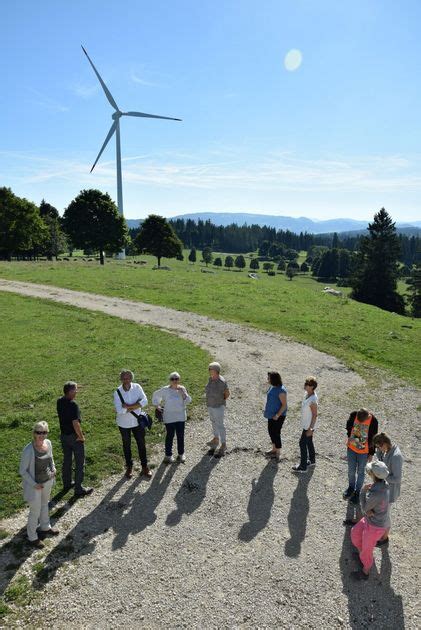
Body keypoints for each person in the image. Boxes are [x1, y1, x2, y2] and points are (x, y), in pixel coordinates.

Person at [19, 421, 59, 547]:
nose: (41, 435)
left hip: (47, 481)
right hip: (35, 485)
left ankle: (45, 527)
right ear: (34, 433)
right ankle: (32, 537)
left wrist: (53, 469)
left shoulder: (48, 443)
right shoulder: (28, 450)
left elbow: (51, 458)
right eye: (39, 432)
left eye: (44, 432)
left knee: (44, 505)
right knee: (34, 511)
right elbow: (22, 471)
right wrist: (34, 484)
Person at [350, 460, 390, 580]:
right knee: (355, 533)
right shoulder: (383, 484)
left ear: (374, 475)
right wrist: (368, 511)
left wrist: (363, 491)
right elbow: (367, 510)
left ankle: (366, 571)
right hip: (370, 520)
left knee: (367, 549)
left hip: (375, 526)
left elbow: (364, 508)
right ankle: (363, 556)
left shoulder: (376, 493)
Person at [57, 381, 93, 497]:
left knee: (67, 460)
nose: (77, 392)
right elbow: (75, 423)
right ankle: (78, 488)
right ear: (71, 391)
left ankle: (67, 483)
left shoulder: (59, 401)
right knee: (79, 462)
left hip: (64, 436)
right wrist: (81, 437)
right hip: (74, 437)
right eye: (75, 390)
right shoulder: (73, 405)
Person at [114, 369, 152, 479]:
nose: (126, 380)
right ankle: (129, 467)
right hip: (123, 423)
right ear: (121, 379)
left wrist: (130, 407)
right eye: (124, 378)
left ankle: (144, 466)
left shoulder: (137, 387)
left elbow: (145, 401)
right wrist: (136, 406)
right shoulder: (117, 392)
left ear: (131, 378)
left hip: (137, 422)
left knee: (141, 444)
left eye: (128, 378)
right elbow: (119, 410)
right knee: (126, 445)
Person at [152, 372, 192, 463]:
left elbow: (188, 401)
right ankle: (168, 455)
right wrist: (157, 405)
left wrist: (183, 393)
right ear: (170, 380)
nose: (174, 381)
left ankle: (181, 454)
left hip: (180, 416)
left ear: (179, 380)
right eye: (172, 379)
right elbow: (156, 395)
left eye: (176, 379)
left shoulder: (182, 388)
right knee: (170, 435)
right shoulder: (165, 390)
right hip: (169, 416)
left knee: (180, 435)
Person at [373, 432, 404, 545]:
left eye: (379, 446)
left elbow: (397, 479)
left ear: (385, 443)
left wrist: (383, 475)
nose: (378, 449)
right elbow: (381, 459)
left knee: (385, 515)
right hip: (383, 488)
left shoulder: (396, 456)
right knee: (382, 512)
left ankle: (384, 538)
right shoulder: (385, 450)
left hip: (390, 492)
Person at [343, 408, 378, 504]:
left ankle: (357, 492)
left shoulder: (373, 420)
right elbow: (348, 426)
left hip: (364, 452)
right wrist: (349, 436)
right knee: (351, 470)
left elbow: (374, 438)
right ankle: (351, 488)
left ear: (367, 416)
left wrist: (371, 453)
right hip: (351, 449)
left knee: (361, 472)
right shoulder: (354, 415)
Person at [292, 376, 318, 473]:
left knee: (302, 443)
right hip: (306, 424)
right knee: (309, 442)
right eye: (305, 383)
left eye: (307, 384)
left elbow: (315, 415)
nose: (305, 385)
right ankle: (312, 460)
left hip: (309, 426)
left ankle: (303, 466)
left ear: (312, 387)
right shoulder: (307, 394)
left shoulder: (313, 400)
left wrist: (310, 429)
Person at [205, 362, 230, 458]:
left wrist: (221, 401)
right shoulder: (210, 379)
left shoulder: (222, 382)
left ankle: (223, 444)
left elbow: (227, 393)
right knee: (213, 422)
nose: (209, 371)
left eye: (210, 369)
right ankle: (216, 438)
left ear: (216, 370)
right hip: (210, 405)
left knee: (220, 425)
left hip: (218, 406)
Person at [263, 371, 287, 462]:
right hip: (271, 414)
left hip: (279, 415)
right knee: (270, 431)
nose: (267, 379)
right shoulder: (272, 387)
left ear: (274, 379)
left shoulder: (281, 390)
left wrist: (277, 415)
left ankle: (278, 451)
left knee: (276, 433)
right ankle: (273, 448)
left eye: (269, 378)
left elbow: (284, 405)